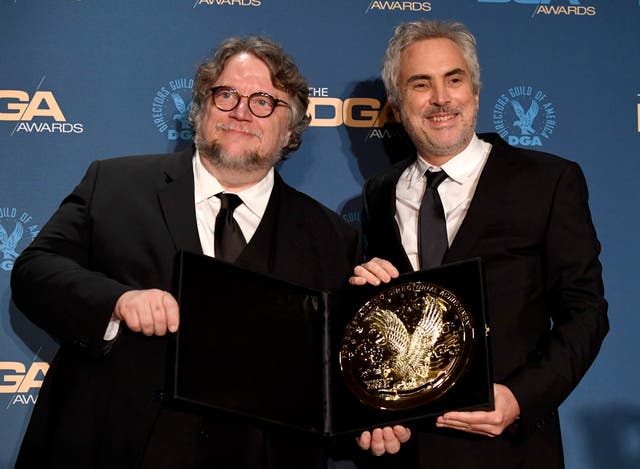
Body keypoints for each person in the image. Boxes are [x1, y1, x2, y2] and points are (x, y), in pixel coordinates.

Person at [11, 36, 361, 469]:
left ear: (290, 129)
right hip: (111, 446)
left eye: (264, 102)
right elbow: (34, 271)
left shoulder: (331, 237)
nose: (242, 111)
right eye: (227, 94)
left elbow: (339, 383)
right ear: (201, 108)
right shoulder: (114, 185)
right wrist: (118, 302)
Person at [350, 20, 608, 468]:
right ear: (396, 102)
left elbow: (585, 313)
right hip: (408, 453)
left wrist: (521, 398)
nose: (441, 98)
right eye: (420, 84)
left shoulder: (548, 181)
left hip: (512, 451)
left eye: (454, 79)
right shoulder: (379, 193)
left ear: (475, 89)